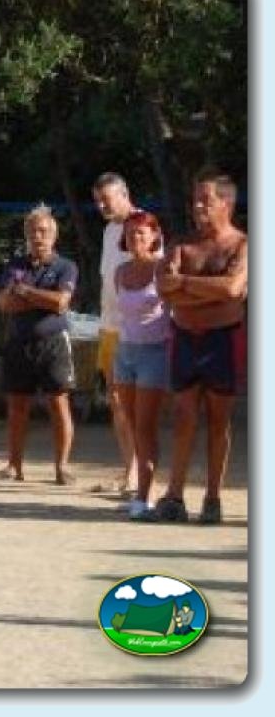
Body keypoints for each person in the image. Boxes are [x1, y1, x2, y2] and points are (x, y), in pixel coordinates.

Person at [156, 169, 247, 524]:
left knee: (218, 420)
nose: (197, 207)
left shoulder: (242, 245)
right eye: (194, 200)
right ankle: (174, 495)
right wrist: (206, 291)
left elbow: (233, 291)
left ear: (226, 203)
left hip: (223, 339)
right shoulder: (182, 243)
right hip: (185, 340)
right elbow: (165, 289)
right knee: (182, 416)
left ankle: (213, 497)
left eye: (205, 200)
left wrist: (186, 286)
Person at [0, 205, 78, 485]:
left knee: (58, 404)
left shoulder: (66, 266)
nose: (37, 237)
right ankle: (14, 466)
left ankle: (62, 467)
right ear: (26, 235)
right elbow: (5, 303)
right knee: (17, 406)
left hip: (53, 344)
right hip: (19, 343)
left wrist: (26, 292)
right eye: (32, 232)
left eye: (43, 231)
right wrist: (43, 299)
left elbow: (61, 303)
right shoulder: (14, 266)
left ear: (54, 235)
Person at [112, 212, 171, 520]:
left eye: (141, 233)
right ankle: (141, 490)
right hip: (125, 352)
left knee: (147, 426)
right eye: (131, 233)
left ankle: (146, 496)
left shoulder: (164, 269)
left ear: (154, 236)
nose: (135, 238)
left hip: (154, 352)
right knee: (132, 425)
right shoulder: (120, 271)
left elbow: (175, 311)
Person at [92, 172, 140, 495]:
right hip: (109, 328)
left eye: (106, 200)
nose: (101, 206)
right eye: (97, 200)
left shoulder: (146, 228)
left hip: (135, 331)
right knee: (116, 402)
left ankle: (140, 475)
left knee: (134, 403)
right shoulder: (110, 231)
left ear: (124, 194)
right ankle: (129, 472)